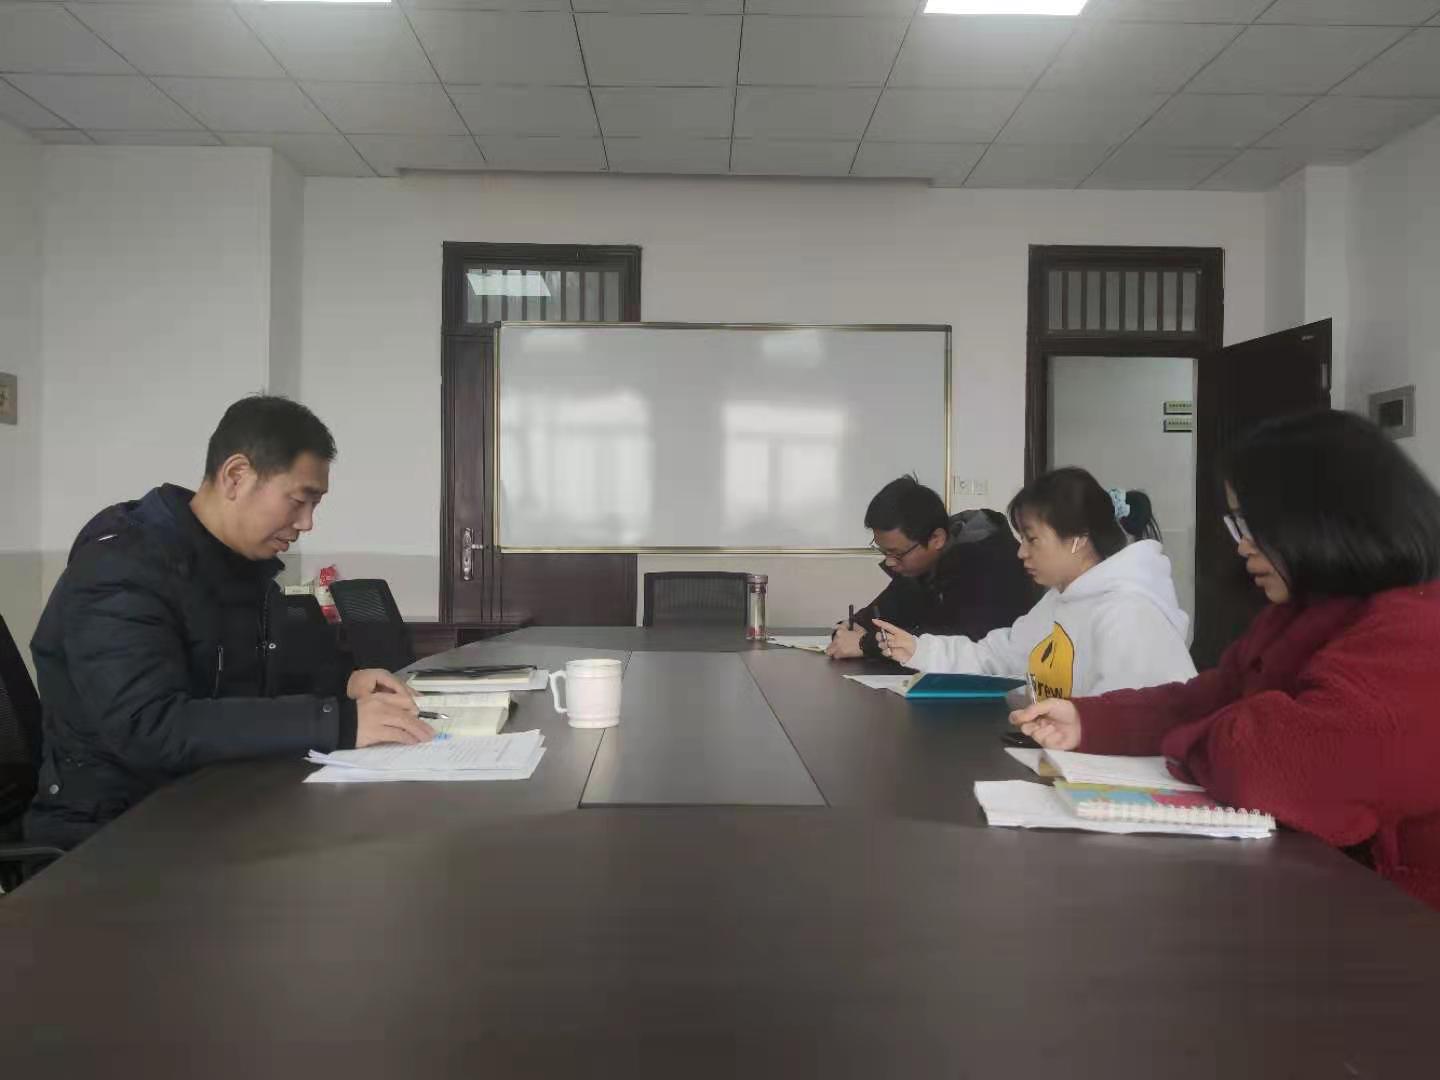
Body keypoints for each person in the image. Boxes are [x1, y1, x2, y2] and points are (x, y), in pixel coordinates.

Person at [1011, 411, 1440, 911]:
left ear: (1327, 517)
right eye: (1238, 523)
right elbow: (1210, 697)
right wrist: (1089, 720)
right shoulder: (1301, 613)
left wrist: (1206, 734)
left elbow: (1269, 765)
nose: (1242, 544)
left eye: (1254, 524)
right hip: (1314, 894)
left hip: (1402, 923)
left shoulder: (1419, 631)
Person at [26, 395, 434, 849]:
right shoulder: (121, 568)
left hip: (216, 803)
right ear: (236, 476)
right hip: (116, 832)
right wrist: (337, 722)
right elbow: (150, 726)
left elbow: (268, 676)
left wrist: (347, 683)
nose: (306, 523)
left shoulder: (238, 568)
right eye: (299, 501)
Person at [874, 467, 1196, 698]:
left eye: (1032, 539)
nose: (1021, 552)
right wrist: (919, 649)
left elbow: (1128, 722)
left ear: (1078, 539)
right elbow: (999, 657)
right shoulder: (1059, 600)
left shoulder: (1130, 614)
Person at [826, 475, 1039, 660]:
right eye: (884, 552)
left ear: (936, 539)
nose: (890, 562)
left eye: (897, 553)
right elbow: (876, 617)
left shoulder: (994, 565)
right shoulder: (920, 567)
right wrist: (850, 630)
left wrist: (868, 644)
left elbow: (970, 644)